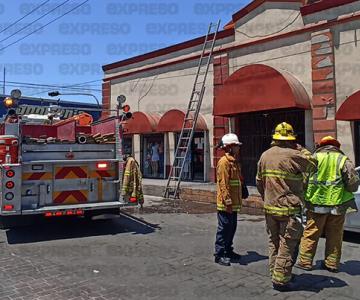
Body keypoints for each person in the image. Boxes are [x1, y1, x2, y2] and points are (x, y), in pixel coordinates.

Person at [256, 122, 317, 291]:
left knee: (273, 243)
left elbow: (259, 182)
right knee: (287, 245)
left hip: (270, 208)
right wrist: (301, 149)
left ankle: (274, 272)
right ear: (291, 139)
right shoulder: (293, 155)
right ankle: (281, 280)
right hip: (289, 210)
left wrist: (267, 198)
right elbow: (313, 165)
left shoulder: (265, 155)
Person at [296, 136, 360, 272]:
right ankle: (331, 263)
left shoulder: (313, 158)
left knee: (311, 232)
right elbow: (353, 184)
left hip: (316, 203)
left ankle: (305, 262)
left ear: (321, 145)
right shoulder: (343, 159)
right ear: (336, 146)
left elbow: (304, 181)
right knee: (335, 234)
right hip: (337, 204)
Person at [214, 133, 242, 266]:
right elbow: (223, 184)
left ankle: (228, 251)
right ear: (229, 147)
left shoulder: (234, 161)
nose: (238, 148)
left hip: (234, 203)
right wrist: (228, 202)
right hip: (226, 204)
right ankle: (219, 254)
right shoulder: (224, 162)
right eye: (236, 146)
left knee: (232, 228)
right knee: (224, 229)